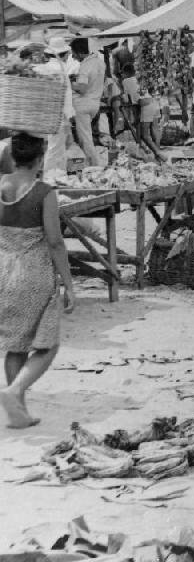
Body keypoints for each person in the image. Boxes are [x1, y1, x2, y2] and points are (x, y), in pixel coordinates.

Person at [0, 133, 74, 429]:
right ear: (41, 159)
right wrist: (69, 284)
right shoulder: (44, 192)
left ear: (13, 157)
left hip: (4, 270)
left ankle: (18, 411)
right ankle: (15, 391)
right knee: (47, 344)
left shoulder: (1, 186)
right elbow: (55, 242)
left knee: (15, 345)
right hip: (34, 274)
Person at [33, 36, 77, 181]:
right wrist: (68, 117)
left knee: (58, 147)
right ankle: (51, 178)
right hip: (58, 114)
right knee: (55, 148)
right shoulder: (59, 68)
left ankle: (58, 175)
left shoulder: (45, 68)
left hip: (48, 113)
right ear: (63, 54)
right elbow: (66, 96)